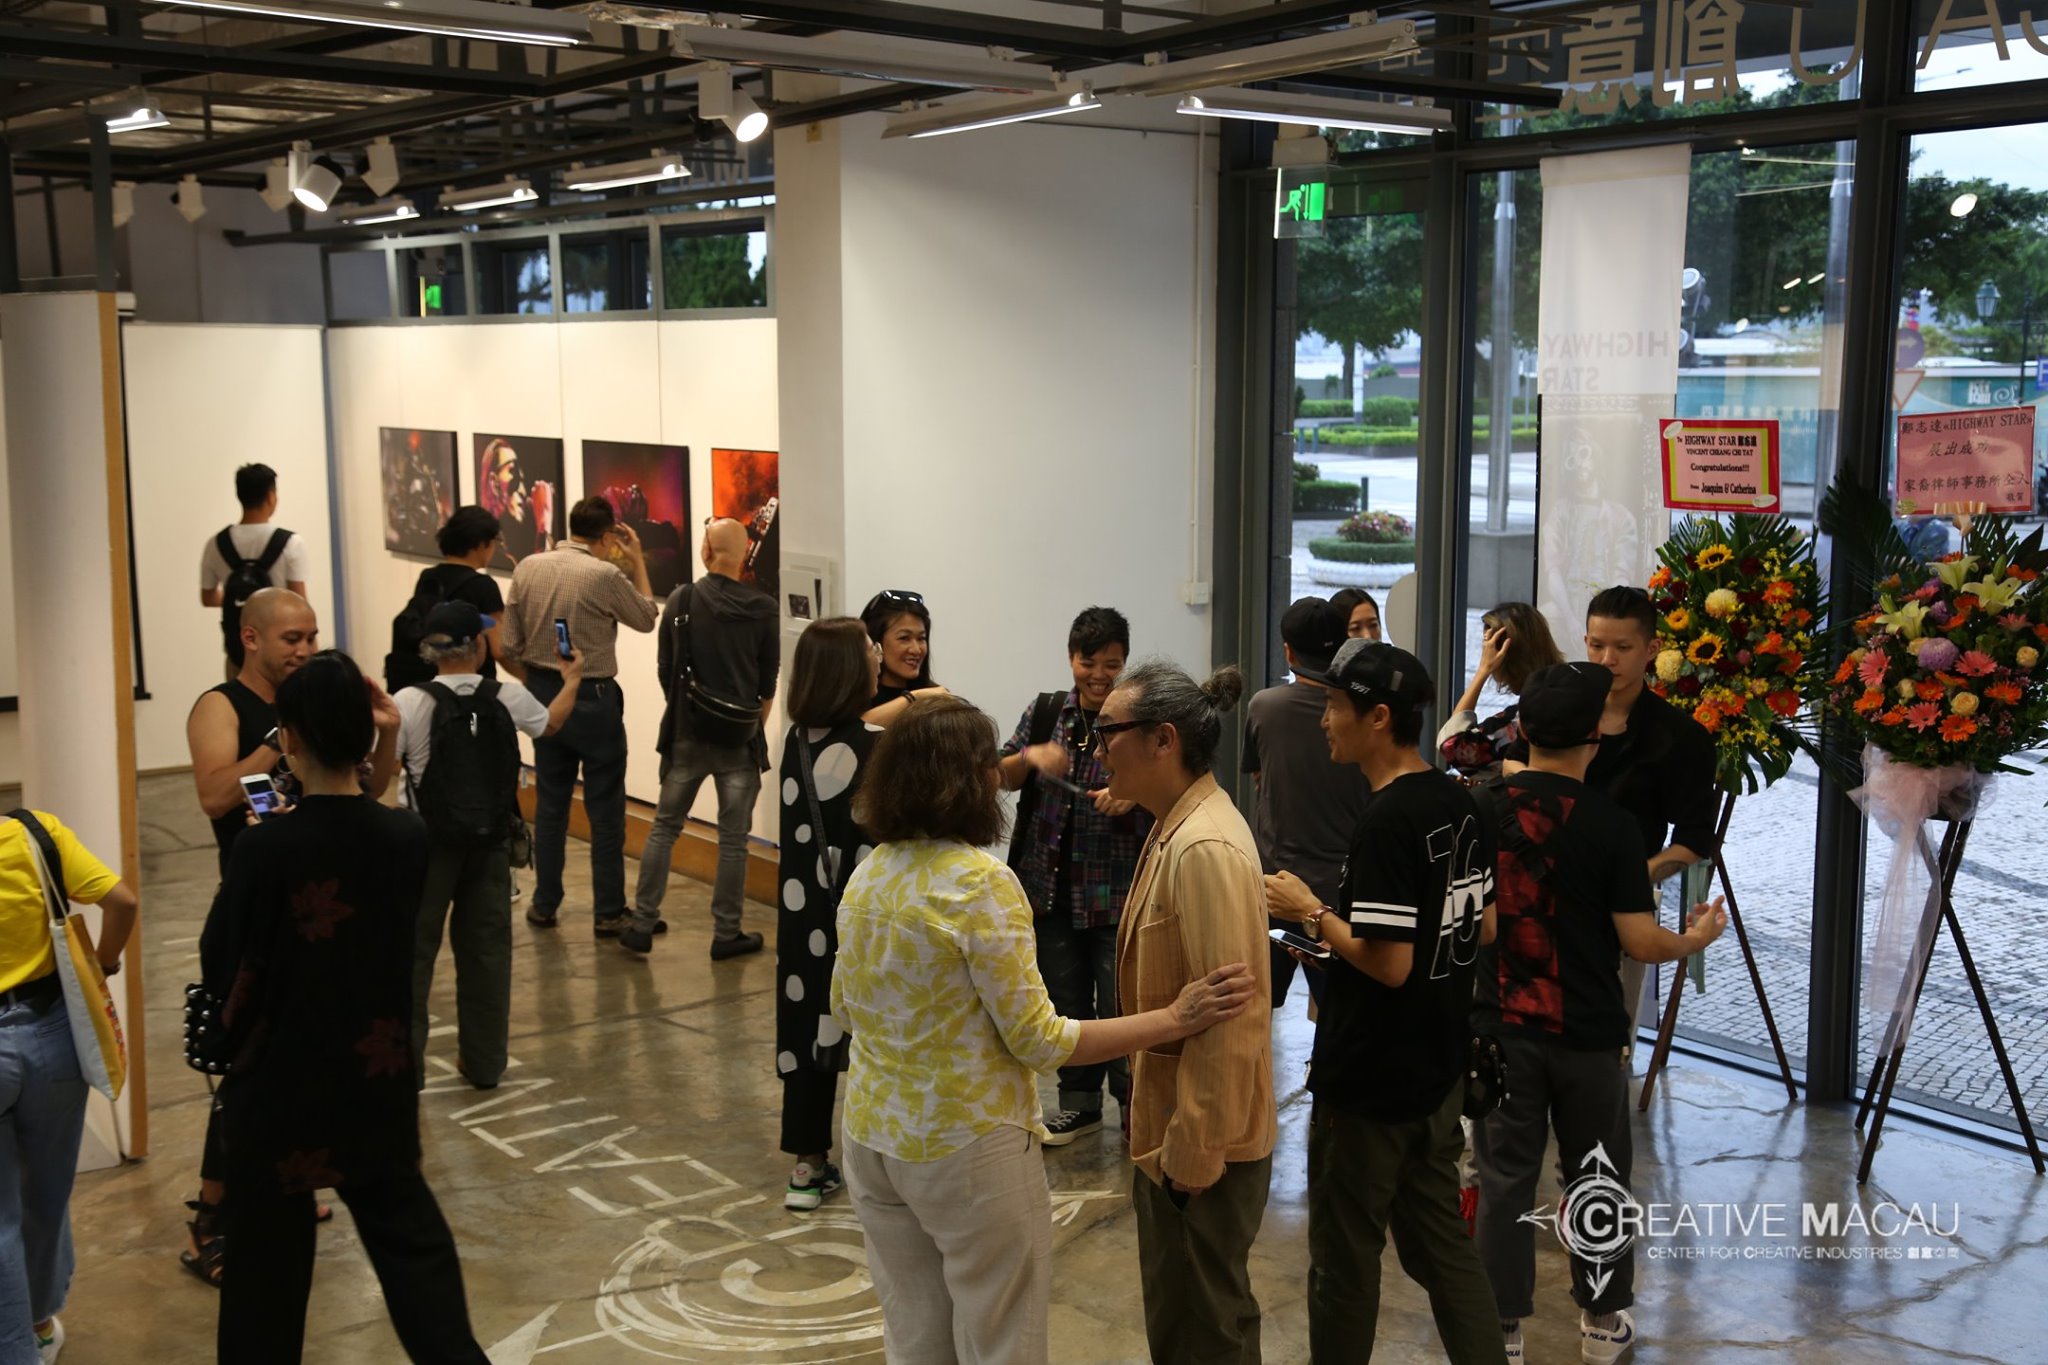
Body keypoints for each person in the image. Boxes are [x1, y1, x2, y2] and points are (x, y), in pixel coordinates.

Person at [830, 695, 1257, 1365]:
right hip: (967, 1145)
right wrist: (1175, 1017)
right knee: (1002, 1335)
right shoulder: (980, 884)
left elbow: (845, 1009)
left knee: (913, 1332)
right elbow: (1040, 1041)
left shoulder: (869, 874)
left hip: (871, 1137)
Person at [205, 651, 489, 1365]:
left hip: (280, 1082)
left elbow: (223, 958)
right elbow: (367, 815)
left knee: (265, 1273)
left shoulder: (264, 848)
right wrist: (385, 734)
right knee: (412, 1250)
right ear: (364, 736)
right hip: (375, 1076)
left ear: (289, 739)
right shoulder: (405, 836)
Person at [1470, 661, 1729, 1365]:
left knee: (1503, 1179)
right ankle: (1602, 1321)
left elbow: (1477, 925)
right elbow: (1639, 941)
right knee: (1597, 1175)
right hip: (1586, 1033)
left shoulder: (1481, 808)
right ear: (1594, 739)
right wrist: (1696, 939)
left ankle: (1502, 1330)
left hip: (1501, 1028)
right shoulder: (1612, 825)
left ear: (1522, 733)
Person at [1265, 639, 1504, 1365]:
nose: (1323, 721)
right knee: (1446, 1252)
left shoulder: (1387, 821)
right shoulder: (1457, 800)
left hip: (1371, 1083)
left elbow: (1389, 963)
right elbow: (1484, 925)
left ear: (1377, 717)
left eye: (1335, 706)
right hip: (1438, 1071)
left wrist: (1309, 912)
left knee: (1344, 1260)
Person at [180, 588, 399, 1286]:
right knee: (247, 1065)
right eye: (291, 639)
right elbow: (214, 795)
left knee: (309, 1059)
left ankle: (289, 1178)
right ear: (251, 638)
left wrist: (385, 733)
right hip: (254, 908)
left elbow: (371, 789)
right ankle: (212, 1219)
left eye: (311, 637)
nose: (305, 649)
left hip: (322, 910)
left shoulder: (317, 699)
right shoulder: (221, 706)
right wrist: (282, 737)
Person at [1096, 659, 1277, 1365]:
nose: (1097, 748)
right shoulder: (1176, 825)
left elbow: (1233, 1014)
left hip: (1201, 1143)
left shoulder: (1203, 845)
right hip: (1175, 1124)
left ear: (1162, 739)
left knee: (1203, 1330)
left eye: (1108, 731)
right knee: (1185, 1318)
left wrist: (1198, 1144)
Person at [1505, 586, 1721, 1040]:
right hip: (1529, 894)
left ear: (1651, 649)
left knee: (1604, 1041)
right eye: (1597, 645)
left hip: (1622, 911)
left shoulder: (1680, 738)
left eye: (1623, 648)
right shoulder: (1558, 707)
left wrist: (1633, 877)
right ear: (1585, 641)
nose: (1607, 660)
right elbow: (1513, 768)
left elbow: (1695, 837)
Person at [396, 602, 582, 1091]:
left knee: (414, 957)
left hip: (426, 846)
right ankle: (484, 1064)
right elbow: (551, 725)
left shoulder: (409, 701)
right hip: (491, 842)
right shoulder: (507, 696)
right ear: (477, 646)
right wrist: (572, 679)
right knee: (487, 954)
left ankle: (407, 1071)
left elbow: (386, 768)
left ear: (430, 651)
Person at [996, 606, 1150, 1143]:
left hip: (1117, 896)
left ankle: (1135, 1107)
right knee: (1065, 1006)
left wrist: (1133, 794)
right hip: (1049, 894)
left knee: (1121, 1008)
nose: (1100, 676)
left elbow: (1173, 789)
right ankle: (1079, 1105)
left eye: (1112, 664)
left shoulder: (1139, 718)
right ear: (1071, 658)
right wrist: (1031, 756)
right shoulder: (1046, 713)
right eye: (1090, 663)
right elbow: (998, 775)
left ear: (1125, 663)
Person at [0, 811, 137, 1365]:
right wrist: (104, 963)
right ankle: (36, 1325)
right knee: (47, 1193)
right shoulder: (34, 834)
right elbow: (122, 901)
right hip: (50, 1033)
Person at [499, 496, 658, 937]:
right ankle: (608, 911)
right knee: (605, 808)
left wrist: (535, 681)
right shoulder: (604, 574)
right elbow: (647, 618)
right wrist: (637, 559)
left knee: (551, 804)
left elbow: (509, 644)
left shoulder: (529, 567)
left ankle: (544, 903)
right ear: (607, 536)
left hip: (543, 693)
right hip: (593, 696)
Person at [631, 517, 781, 960]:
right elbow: (767, 684)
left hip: (687, 736)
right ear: (745, 555)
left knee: (664, 827)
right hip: (740, 742)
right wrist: (748, 725)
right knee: (734, 840)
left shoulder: (682, 599)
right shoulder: (764, 608)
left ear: (707, 551)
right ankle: (726, 933)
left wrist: (689, 711)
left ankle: (642, 924)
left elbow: (666, 670)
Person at [774, 618, 882, 1211]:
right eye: (870, 649)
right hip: (861, 920)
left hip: (802, 918)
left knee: (807, 1030)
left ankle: (807, 1166)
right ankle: (881, 1162)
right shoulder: (876, 745)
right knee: (877, 1036)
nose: (878, 657)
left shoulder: (795, 742)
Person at [1244, 597, 1372, 1011]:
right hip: (1341, 893)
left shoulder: (1264, 707)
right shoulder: (1362, 715)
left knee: (1256, 1010)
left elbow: (1259, 778)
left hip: (1275, 886)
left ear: (1288, 651)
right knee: (1342, 1014)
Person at [384, 506, 519, 695]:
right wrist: (527, 678)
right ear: (482, 544)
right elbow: (499, 650)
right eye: (495, 542)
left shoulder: (429, 577)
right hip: (471, 688)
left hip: (433, 685)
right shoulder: (484, 586)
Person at [200, 463, 312, 678]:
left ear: (239, 496)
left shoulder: (216, 543)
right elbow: (300, 602)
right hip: (283, 656)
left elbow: (208, 597)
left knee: (238, 698)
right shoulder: (291, 543)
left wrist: (244, 599)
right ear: (271, 497)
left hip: (240, 653)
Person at [1438, 602, 1565, 779]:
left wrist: (1483, 671)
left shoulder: (1520, 720)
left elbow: (1452, 743)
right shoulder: (1566, 692)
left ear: (1504, 654)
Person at [859, 590, 945, 723]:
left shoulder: (937, 697)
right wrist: (914, 698)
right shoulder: (853, 701)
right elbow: (855, 729)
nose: (916, 649)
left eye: (921, 638)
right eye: (904, 638)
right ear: (875, 641)